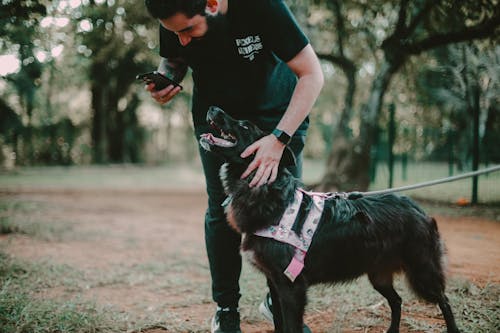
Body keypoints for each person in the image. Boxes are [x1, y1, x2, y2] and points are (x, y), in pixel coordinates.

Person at [143, 0, 324, 332]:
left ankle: (281, 306)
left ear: (212, 4)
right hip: (219, 122)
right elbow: (174, 58)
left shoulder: (262, 7)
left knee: (282, 213)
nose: (181, 39)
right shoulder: (173, 10)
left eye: (187, 30)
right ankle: (226, 309)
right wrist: (167, 77)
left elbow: (313, 74)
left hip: (278, 117)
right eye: (174, 33)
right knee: (223, 209)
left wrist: (279, 139)